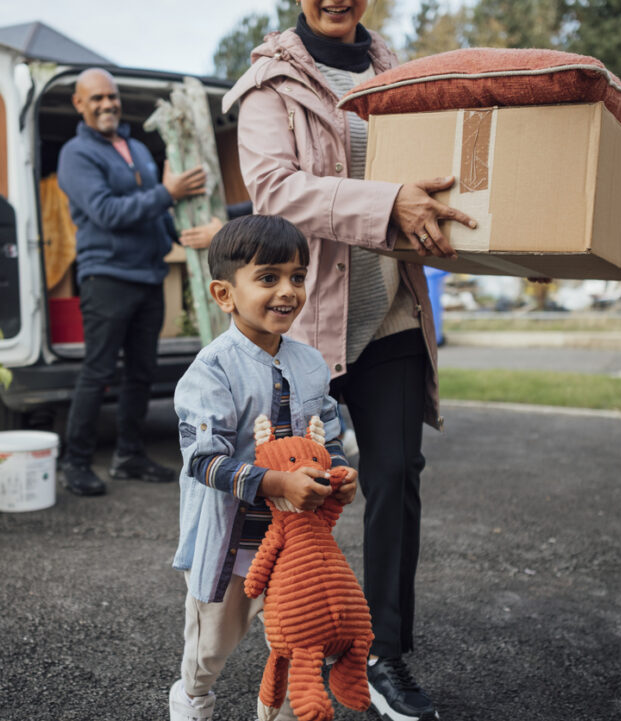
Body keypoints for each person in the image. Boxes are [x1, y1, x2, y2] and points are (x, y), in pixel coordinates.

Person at [222, 3, 479, 720]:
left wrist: (512, 242)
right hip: (311, 323)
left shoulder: (397, 73)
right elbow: (275, 191)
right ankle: (274, 641)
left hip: (392, 312)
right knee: (288, 488)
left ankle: (383, 652)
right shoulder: (270, 85)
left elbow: (450, 179)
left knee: (396, 474)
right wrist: (386, 200)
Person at [169, 215, 359, 721]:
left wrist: (338, 474)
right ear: (224, 294)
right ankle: (192, 696)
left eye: (298, 276)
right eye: (268, 277)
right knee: (212, 648)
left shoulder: (311, 363)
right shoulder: (210, 370)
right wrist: (275, 482)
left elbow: (329, 432)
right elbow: (202, 460)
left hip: (297, 551)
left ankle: (279, 708)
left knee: (300, 641)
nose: (288, 291)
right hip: (233, 545)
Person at [56, 68, 207, 496]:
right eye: (97, 98)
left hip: (148, 274)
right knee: (99, 370)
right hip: (106, 275)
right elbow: (106, 212)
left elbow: (159, 213)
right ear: (79, 104)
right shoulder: (75, 154)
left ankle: (129, 455)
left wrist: (187, 231)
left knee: (141, 372)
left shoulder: (138, 146)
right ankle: (77, 462)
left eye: (112, 97)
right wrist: (168, 193)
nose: (107, 104)